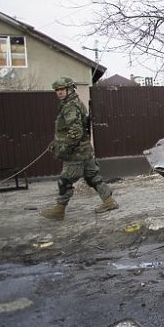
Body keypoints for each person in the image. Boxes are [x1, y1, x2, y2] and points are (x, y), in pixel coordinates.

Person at [40, 77, 119, 220]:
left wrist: (63, 148)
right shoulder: (73, 103)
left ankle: (59, 210)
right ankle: (109, 201)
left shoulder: (70, 106)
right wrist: (56, 142)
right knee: (93, 177)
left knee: (65, 181)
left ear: (69, 89)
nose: (59, 92)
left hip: (75, 153)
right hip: (85, 150)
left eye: (62, 89)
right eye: (57, 90)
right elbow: (69, 130)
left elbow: (75, 132)